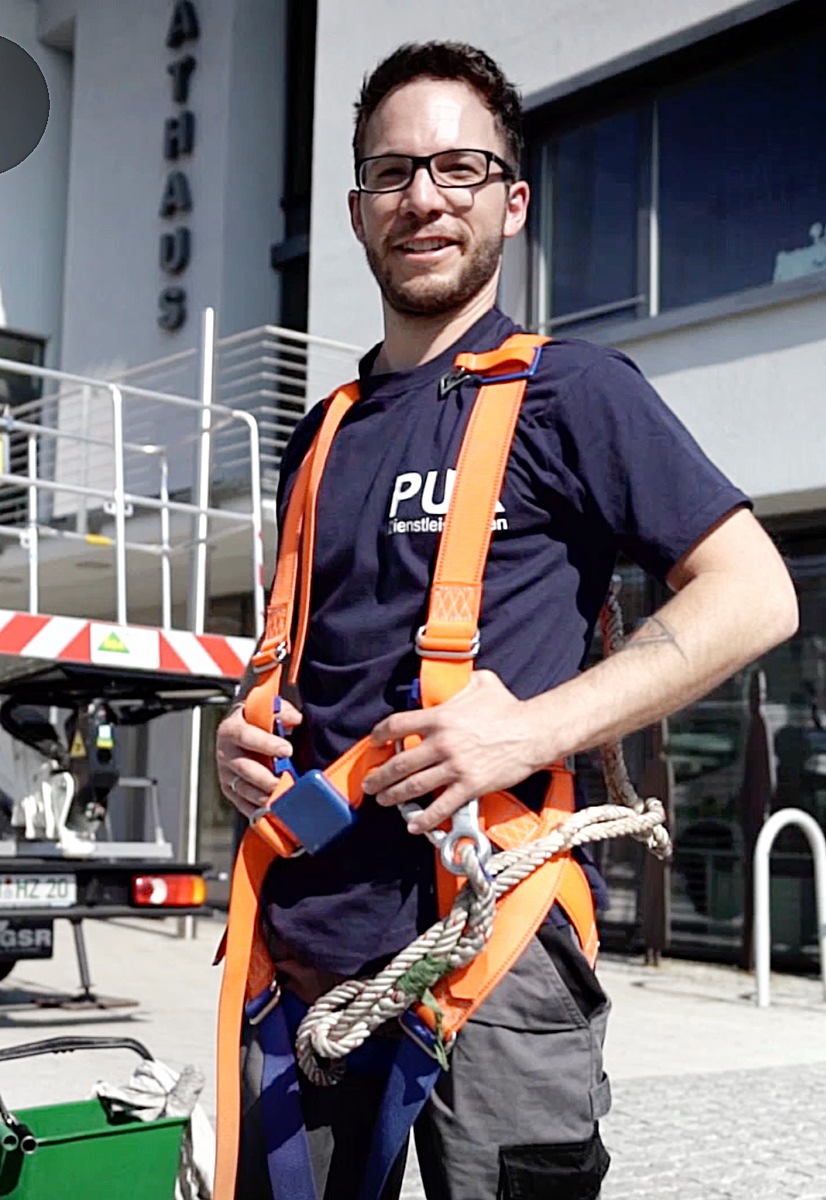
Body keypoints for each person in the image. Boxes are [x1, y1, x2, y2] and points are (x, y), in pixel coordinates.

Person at [215, 41, 798, 1200]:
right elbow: (321, 651)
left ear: (511, 202)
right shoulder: (317, 436)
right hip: (308, 961)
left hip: (497, 956)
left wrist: (528, 732)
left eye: (458, 168)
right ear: (356, 208)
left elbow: (756, 594)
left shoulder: (574, 392)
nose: (423, 197)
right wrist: (247, 727)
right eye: (392, 173)